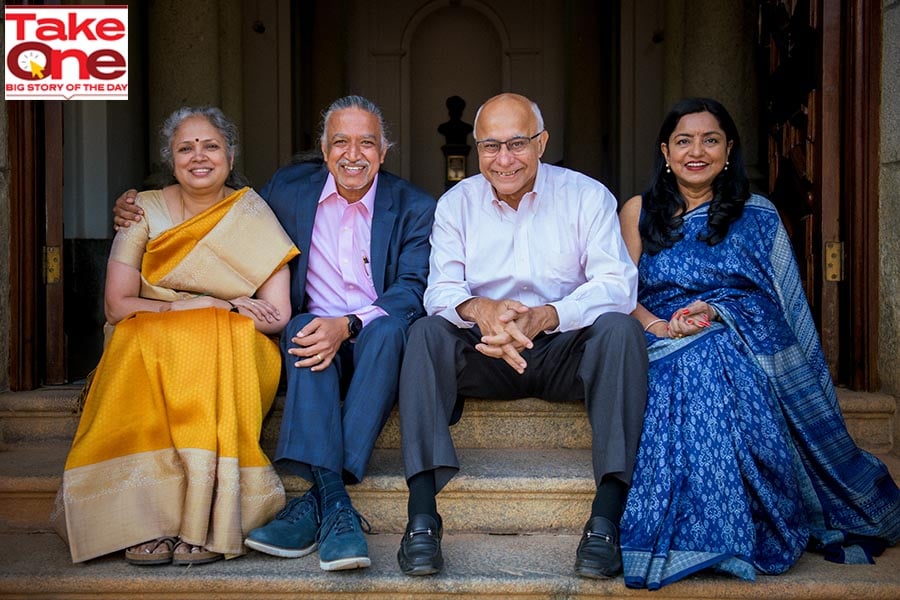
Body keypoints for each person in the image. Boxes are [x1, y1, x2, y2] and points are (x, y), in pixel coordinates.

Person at [114, 95, 435, 571]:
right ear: (323, 152)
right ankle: (338, 507)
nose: (353, 154)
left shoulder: (414, 205)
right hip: (307, 333)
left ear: (384, 152)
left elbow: (411, 290)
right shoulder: (287, 189)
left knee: (389, 329)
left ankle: (318, 501)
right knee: (303, 327)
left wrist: (346, 326)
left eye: (366, 143)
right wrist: (137, 208)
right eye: (340, 142)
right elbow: (223, 210)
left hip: (373, 339)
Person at [617, 97, 900, 590]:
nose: (696, 151)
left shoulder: (758, 214)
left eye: (711, 140)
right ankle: (710, 530)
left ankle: (721, 531)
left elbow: (780, 304)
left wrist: (717, 312)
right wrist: (664, 327)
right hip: (657, 340)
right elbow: (620, 294)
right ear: (666, 152)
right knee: (696, 358)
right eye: (684, 141)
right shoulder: (638, 213)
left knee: (712, 354)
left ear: (729, 151)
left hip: (745, 338)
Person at [395, 92, 648, 578]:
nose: (504, 159)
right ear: (476, 148)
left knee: (620, 331)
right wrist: (480, 308)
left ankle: (606, 519)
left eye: (517, 144)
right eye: (490, 146)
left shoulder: (586, 195)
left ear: (542, 142)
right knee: (427, 334)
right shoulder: (457, 204)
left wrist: (548, 315)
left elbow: (618, 286)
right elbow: (441, 290)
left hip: (562, 349)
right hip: (487, 351)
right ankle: (422, 517)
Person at [52, 106, 299, 566]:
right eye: (186, 147)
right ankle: (145, 521)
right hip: (151, 340)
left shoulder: (251, 212)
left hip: (232, 347)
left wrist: (217, 314)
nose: (198, 156)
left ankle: (207, 518)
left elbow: (277, 315)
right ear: (171, 156)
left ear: (230, 153)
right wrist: (192, 307)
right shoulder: (142, 209)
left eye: (211, 146)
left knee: (202, 342)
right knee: (138, 341)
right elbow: (117, 304)